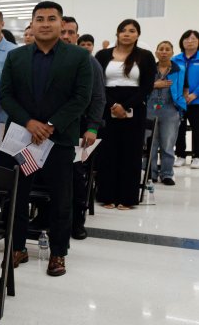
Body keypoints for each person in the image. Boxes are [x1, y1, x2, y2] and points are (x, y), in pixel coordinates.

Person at [0, 1, 92, 276]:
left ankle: (58, 253)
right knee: (17, 196)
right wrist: (29, 122)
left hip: (60, 139)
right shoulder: (16, 57)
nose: (45, 23)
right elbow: (5, 95)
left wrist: (51, 125)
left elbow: (81, 97)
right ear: (32, 23)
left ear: (62, 24)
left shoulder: (78, 57)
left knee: (61, 199)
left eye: (52, 18)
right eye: (39, 18)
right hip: (22, 139)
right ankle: (17, 247)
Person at [94, 19, 155, 209]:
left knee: (131, 153)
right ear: (117, 33)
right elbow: (97, 83)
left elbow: (146, 86)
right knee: (108, 151)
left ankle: (127, 198)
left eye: (132, 31)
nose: (127, 34)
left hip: (134, 106)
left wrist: (126, 106)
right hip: (107, 104)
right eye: (123, 30)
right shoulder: (103, 55)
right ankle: (107, 196)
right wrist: (113, 105)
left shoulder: (145, 56)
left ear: (138, 35)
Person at [60, 17, 105, 240]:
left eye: (71, 32)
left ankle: (77, 222)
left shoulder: (88, 61)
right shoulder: (47, 59)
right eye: (63, 32)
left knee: (76, 177)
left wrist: (93, 128)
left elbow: (98, 97)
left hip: (80, 129)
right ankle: (48, 217)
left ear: (77, 36)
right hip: (49, 130)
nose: (66, 36)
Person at [146, 41, 186, 185]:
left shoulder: (179, 69)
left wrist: (181, 105)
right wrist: (155, 85)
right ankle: (151, 174)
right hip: (150, 109)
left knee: (168, 144)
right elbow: (142, 87)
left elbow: (185, 87)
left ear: (172, 52)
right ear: (156, 52)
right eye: (161, 49)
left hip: (170, 109)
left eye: (167, 49)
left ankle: (167, 174)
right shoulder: (149, 69)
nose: (164, 52)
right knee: (150, 144)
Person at [172, 30, 199, 168]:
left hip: (197, 101)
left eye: (193, 39)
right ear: (182, 42)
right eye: (186, 39)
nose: (190, 41)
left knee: (197, 128)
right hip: (179, 101)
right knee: (179, 129)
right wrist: (179, 96)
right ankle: (180, 155)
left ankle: (197, 157)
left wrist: (195, 94)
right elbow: (172, 79)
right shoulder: (175, 59)